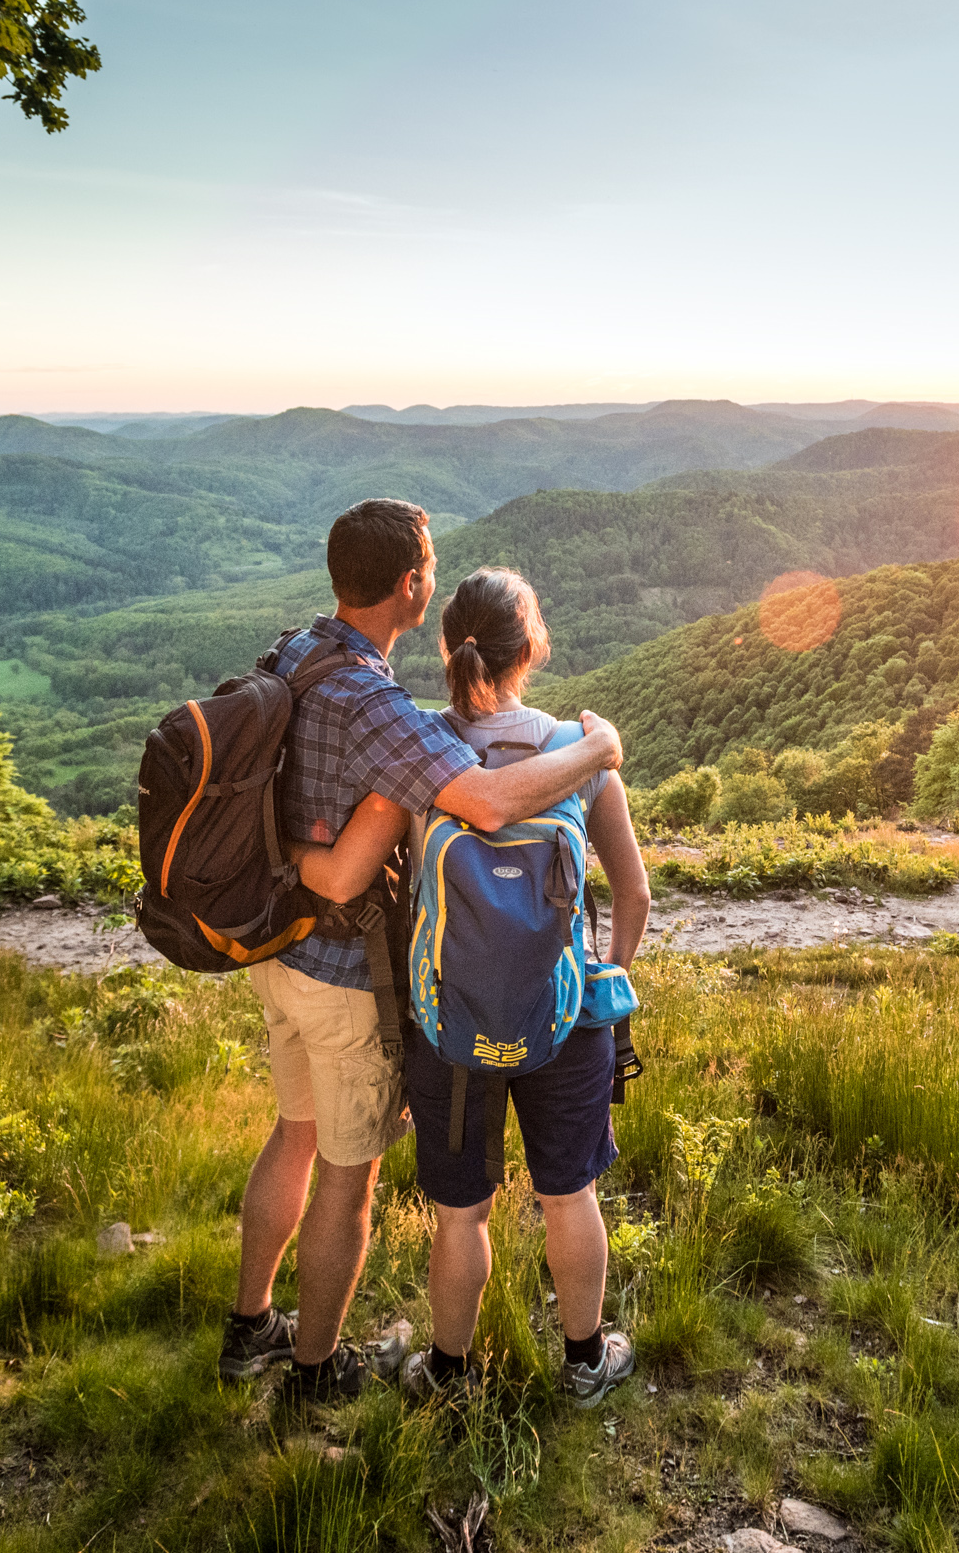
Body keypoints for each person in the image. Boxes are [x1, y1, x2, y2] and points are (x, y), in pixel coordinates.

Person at [218, 501, 624, 1402]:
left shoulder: (298, 650)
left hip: (284, 959)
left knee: (301, 1138)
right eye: (428, 563)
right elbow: (485, 806)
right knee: (346, 1182)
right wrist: (597, 748)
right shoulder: (388, 711)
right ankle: (318, 1372)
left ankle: (260, 1327)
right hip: (342, 974)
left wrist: (283, 857)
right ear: (411, 586)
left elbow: (324, 843)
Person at [304, 566, 652, 1408]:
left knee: (464, 1213)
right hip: (564, 1015)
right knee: (570, 1193)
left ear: (448, 645)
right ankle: (583, 1362)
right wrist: (603, 980)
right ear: (532, 647)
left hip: (449, 1020)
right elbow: (633, 893)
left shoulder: (422, 747)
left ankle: (450, 1372)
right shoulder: (579, 747)